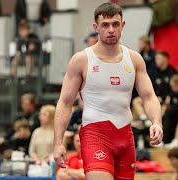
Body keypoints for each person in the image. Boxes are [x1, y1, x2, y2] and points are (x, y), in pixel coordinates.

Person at [53, 3, 163, 180]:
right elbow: (65, 103)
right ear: (96, 27)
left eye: (115, 24)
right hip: (95, 135)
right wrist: (58, 142)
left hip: (125, 137)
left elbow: (149, 96)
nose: (111, 29)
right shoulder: (82, 60)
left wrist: (156, 122)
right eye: (105, 25)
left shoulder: (134, 59)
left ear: (123, 25)